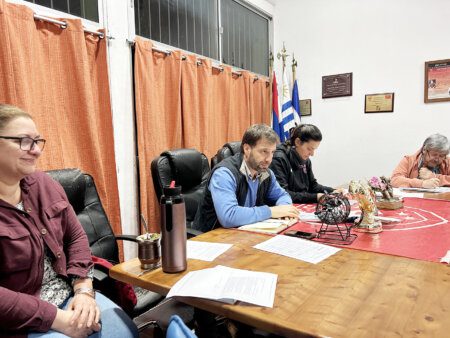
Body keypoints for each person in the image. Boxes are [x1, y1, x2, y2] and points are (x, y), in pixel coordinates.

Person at [0, 104, 138, 338]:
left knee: (125, 332)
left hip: (70, 295)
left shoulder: (44, 184)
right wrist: (56, 318)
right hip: (20, 320)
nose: (36, 151)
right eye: (24, 141)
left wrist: (83, 289)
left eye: (37, 141)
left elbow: (76, 237)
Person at [194, 124, 298, 232]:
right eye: (264, 151)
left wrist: (285, 211)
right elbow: (228, 216)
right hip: (212, 239)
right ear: (247, 149)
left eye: (272, 152)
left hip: (242, 234)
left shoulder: (265, 173)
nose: (269, 159)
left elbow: (282, 195)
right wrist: (271, 211)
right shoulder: (224, 174)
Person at [270, 124, 335, 203]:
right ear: (297, 142)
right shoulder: (278, 158)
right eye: (309, 149)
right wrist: (315, 197)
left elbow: (313, 186)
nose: (312, 154)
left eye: (314, 149)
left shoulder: (305, 159)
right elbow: (283, 194)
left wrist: (333, 191)